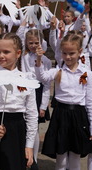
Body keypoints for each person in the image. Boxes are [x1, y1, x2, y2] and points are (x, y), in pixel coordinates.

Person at [0, 32, 38, 170]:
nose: (1, 55)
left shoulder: (27, 78)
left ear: (18, 53)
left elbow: (32, 114)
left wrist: (29, 145)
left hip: (17, 129)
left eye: (6, 52)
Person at [35, 32, 92, 170]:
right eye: (65, 53)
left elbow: (89, 102)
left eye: (71, 53)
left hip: (78, 116)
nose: (68, 57)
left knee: (75, 155)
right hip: (61, 115)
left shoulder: (86, 74)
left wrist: (91, 127)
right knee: (61, 156)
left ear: (80, 52)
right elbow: (42, 77)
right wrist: (38, 59)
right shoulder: (58, 71)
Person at [21, 29, 52, 169]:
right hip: (24, 90)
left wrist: (43, 106)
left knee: (35, 128)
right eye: (30, 42)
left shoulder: (45, 60)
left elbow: (46, 84)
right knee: (24, 124)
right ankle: (25, 155)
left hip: (38, 92)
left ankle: (34, 159)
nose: (33, 45)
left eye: (36, 42)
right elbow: (20, 35)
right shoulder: (22, 56)